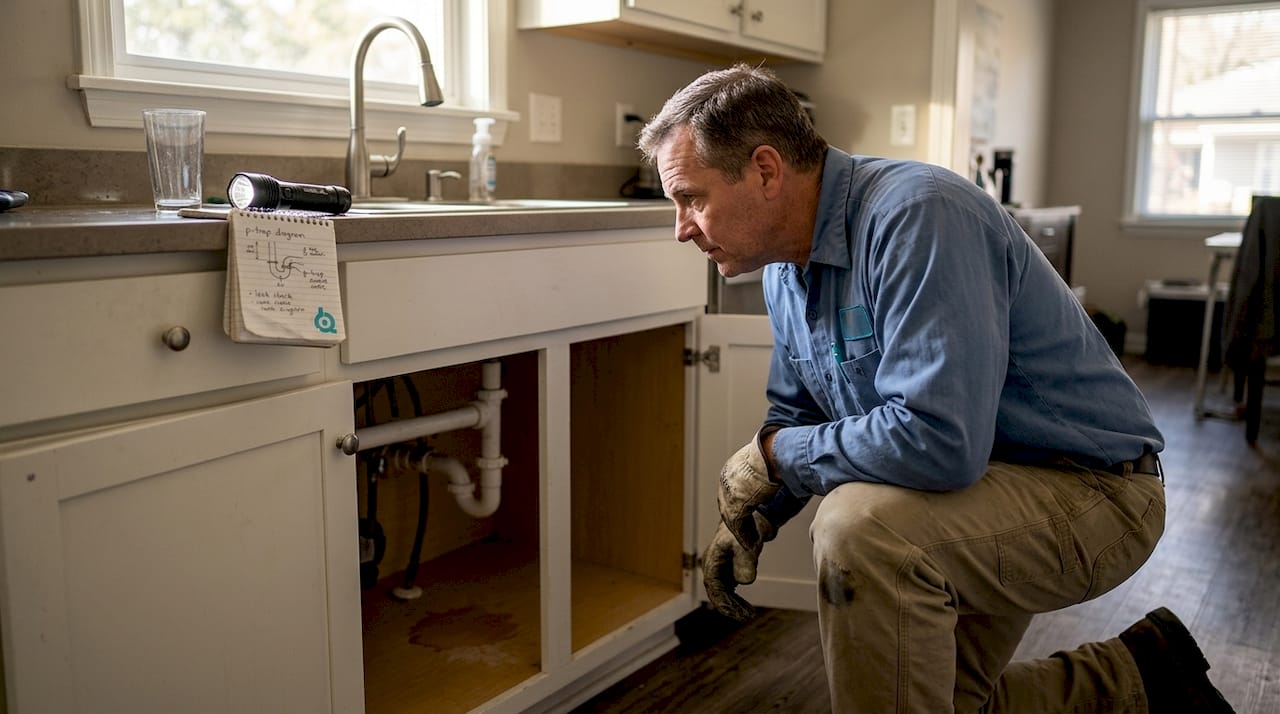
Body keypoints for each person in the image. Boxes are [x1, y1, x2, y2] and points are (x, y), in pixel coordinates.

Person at [638, 64, 1234, 714]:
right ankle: (1139, 678)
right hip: (977, 490)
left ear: (765, 170)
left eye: (691, 198)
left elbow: (939, 441)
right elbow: (798, 414)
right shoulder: (784, 271)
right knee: (931, 697)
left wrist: (776, 459)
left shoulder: (918, 214)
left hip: (1094, 491)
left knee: (861, 529)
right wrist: (753, 512)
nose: (681, 227)